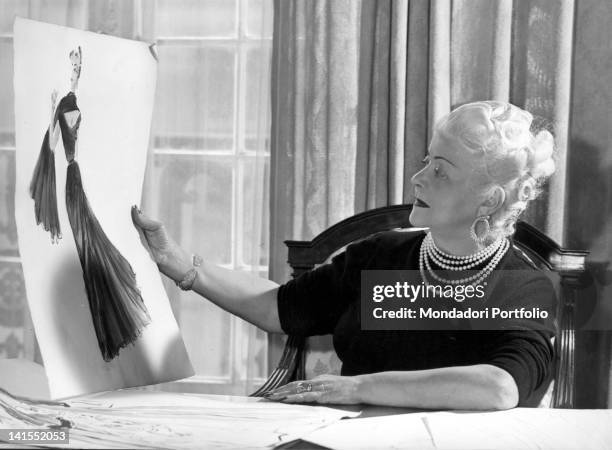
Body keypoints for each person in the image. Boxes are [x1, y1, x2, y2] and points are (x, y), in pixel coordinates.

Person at [132, 101, 557, 410]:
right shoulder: (380, 255)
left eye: (440, 171)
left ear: (489, 200)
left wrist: (358, 388)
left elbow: (501, 387)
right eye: (426, 161)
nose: (418, 177)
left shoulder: (523, 284)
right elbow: (279, 308)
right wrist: (179, 263)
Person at [30, 47, 151, 362]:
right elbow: (54, 143)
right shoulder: (63, 105)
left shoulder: (70, 100)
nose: (76, 68)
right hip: (72, 178)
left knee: (90, 242)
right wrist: (50, 110)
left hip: (78, 175)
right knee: (86, 244)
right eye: (73, 63)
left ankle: (106, 324)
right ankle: (102, 327)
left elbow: (65, 120)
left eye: (77, 64)